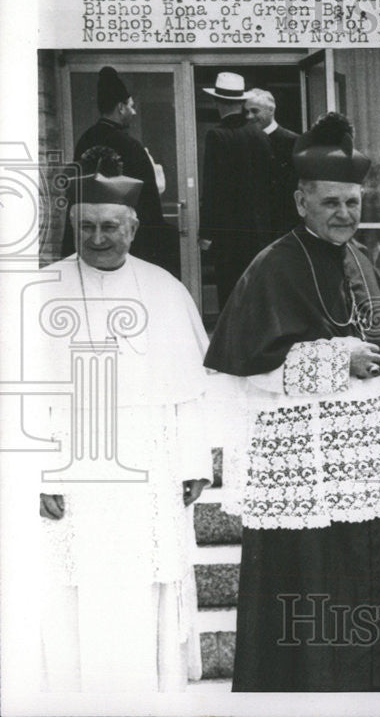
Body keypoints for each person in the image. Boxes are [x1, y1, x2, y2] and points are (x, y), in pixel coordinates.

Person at [203, 112, 380, 692]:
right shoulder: (272, 265)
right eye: (331, 203)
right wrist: (333, 361)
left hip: (367, 463)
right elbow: (250, 369)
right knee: (314, 582)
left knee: (369, 576)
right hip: (306, 470)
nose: (345, 214)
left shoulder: (363, 260)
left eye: (352, 202)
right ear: (301, 202)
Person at [32, 171, 213, 692]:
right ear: (72, 225)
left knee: (148, 582)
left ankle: (152, 695)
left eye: (110, 226)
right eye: (85, 226)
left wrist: (195, 464)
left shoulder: (164, 289)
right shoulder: (43, 290)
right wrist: (38, 474)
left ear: (132, 228)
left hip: (151, 471)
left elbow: (189, 394)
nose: (97, 238)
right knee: (72, 588)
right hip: (73, 473)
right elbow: (24, 399)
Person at [67, 66, 177, 275]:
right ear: (121, 107)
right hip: (126, 244)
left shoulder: (85, 140)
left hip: (90, 237)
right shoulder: (131, 146)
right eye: (131, 106)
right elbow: (148, 202)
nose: (134, 112)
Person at [199, 71, 275, 308]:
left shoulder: (217, 135)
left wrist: (206, 231)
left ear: (217, 102)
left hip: (228, 233)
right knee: (255, 293)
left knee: (230, 295)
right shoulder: (259, 135)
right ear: (242, 103)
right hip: (259, 231)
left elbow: (213, 186)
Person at [245, 87, 301, 238]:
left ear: (271, 110)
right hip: (253, 228)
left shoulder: (293, 142)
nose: (249, 116)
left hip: (282, 226)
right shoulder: (244, 141)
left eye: (255, 111)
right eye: (246, 112)